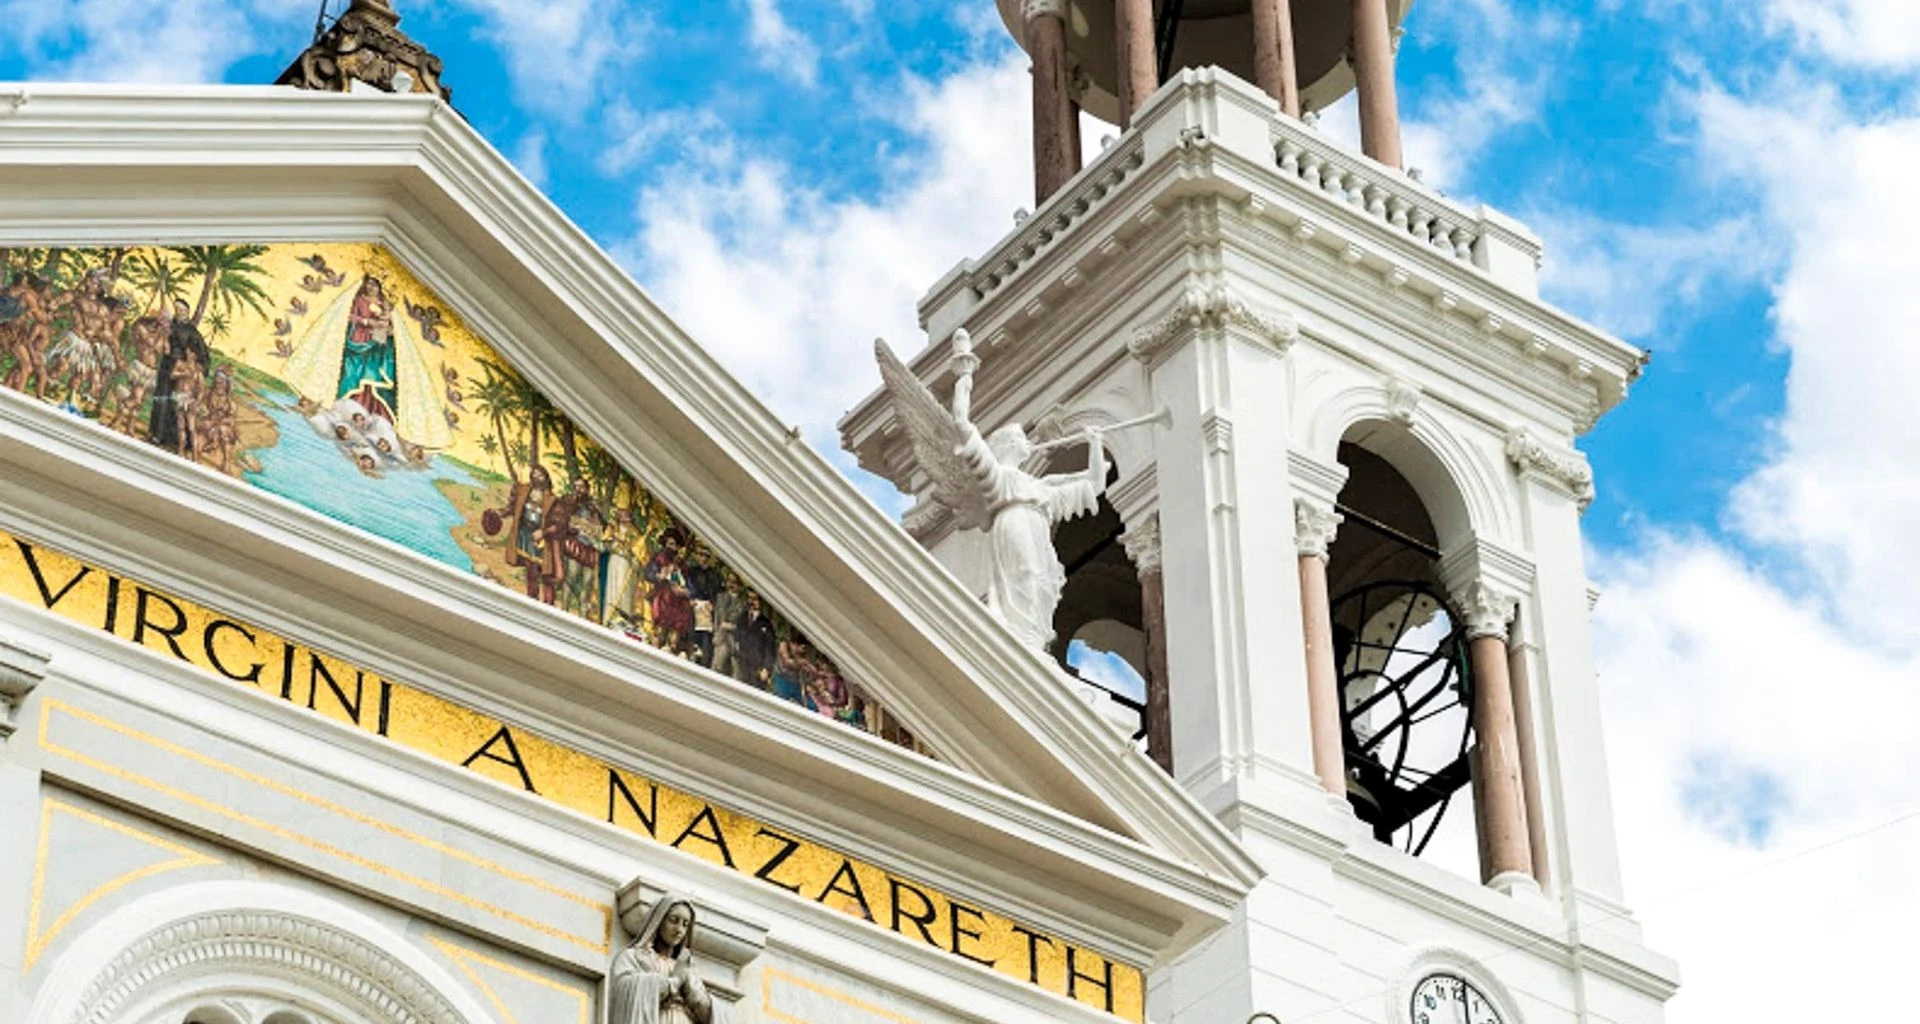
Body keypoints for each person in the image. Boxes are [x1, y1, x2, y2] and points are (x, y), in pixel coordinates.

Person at [607, 894, 719, 1024]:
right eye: (673, 920)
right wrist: (672, 983)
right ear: (659, 920)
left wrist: (693, 994)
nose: (679, 930)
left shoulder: (687, 968)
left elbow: (707, 1016)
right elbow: (622, 991)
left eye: (685, 924)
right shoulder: (633, 957)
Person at [148, 298, 210, 454]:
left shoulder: (192, 332)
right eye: (176, 309)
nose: (178, 312)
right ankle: (157, 435)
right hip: (167, 368)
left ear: (187, 312)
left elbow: (203, 355)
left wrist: (195, 370)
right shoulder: (168, 324)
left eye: (181, 310)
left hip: (182, 371)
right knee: (161, 400)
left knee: (179, 410)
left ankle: (178, 443)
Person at [502, 465, 562, 603]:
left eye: (540, 475)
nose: (536, 477)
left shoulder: (552, 499)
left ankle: (548, 605)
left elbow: (558, 524)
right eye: (534, 474)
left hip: (544, 541)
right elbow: (512, 507)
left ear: (546, 478)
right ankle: (532, 598)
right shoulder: (524, 491)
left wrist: (544, 532)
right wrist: (501, 513)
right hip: (525, 533)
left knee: (546, 574)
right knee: (531, 568)